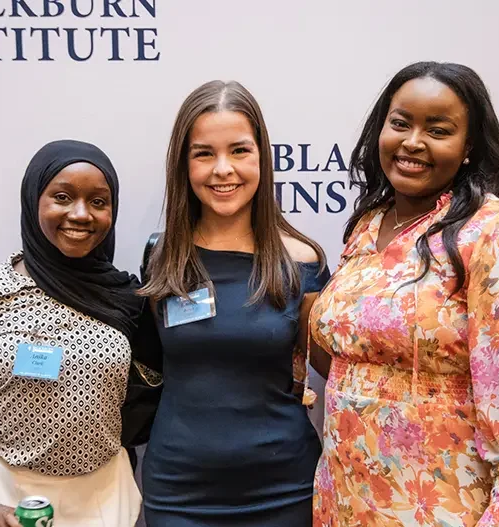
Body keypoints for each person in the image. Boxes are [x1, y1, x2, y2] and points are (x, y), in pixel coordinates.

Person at [308, 62, 499, 526]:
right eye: (400, 123)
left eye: (438, 129)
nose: (413, 142)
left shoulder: (497, 232)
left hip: (441, 501)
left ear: (468, 146)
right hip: (344, 494)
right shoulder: (367, 226)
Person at [0, 139, 154, 527]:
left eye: (98, 202)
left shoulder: (129, 300)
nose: (81, 214)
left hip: (106, 500)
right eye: (62, 197)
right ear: (34, 200)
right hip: (5, 499)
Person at [137, 80, 330, 526]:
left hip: (284, 489)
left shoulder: (303, 262)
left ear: (262, 156)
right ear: (183, 165)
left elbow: (330, 370)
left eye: (239, 150)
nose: (223, 169)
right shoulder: (161, 256)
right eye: (204, 153)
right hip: (179, 492)